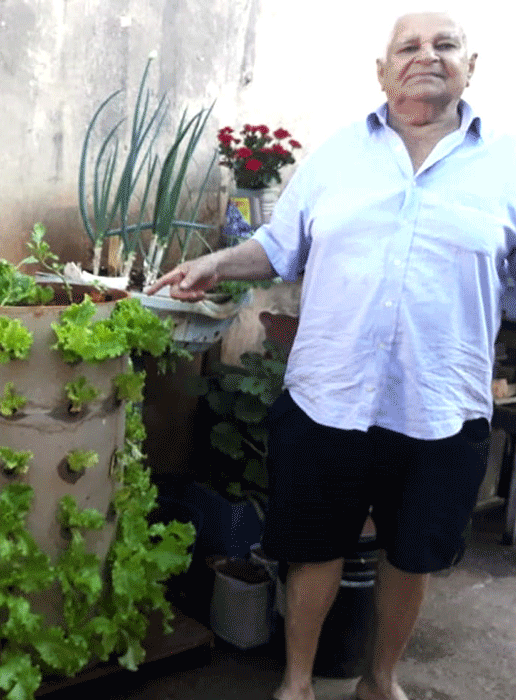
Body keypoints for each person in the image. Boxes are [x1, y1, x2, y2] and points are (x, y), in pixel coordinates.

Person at [147, 11, 516, 700]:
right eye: (408, 46)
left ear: (473, 64)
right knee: (313, 545)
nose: (425, 57)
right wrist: (219, 263)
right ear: (383, 69)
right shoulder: (339, 155)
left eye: (445, 45)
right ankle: (297, 682)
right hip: (330, 395)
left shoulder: (508, 166)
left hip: (439, 404)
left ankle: (381, 681)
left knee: (414, 555)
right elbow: (279, 248)